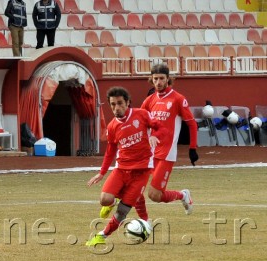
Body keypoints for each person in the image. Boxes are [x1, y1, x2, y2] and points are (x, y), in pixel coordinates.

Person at [85, 87, 166, 246]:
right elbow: (110, 151)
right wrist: (101, 173)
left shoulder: (142, 115)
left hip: (142, 171)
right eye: (113, 104)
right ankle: (116, 202)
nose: (116, 108)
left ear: (128, 102)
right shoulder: (112, 126)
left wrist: (155, 136)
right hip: (121, 169)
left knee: (123, 211)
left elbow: (160, 127)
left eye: (120, 103)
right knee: (104, 200)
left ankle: (102, 235)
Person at [134, 63, 199, 215]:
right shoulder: (149, 100)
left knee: (154, 195)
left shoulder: (178, 99)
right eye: (155, 78)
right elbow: (140, 124)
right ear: (151, 79)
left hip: (166, 153)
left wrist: (192, 148)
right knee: (134, 184)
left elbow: (192, 124)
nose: (158, 82)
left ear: (168, 79)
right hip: (149, 153)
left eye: (161, 78)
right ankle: (143, 220)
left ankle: (183, 195)